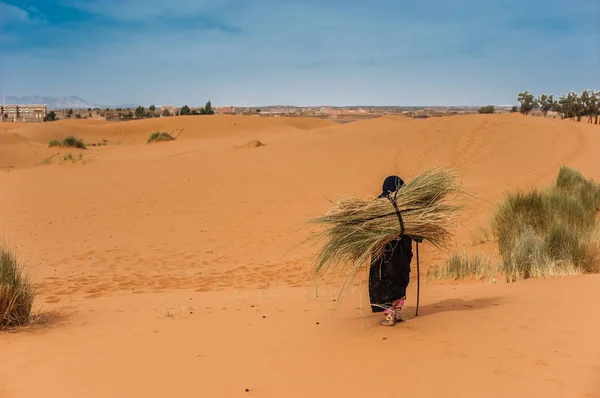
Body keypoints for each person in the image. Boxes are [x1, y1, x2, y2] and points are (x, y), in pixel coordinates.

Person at [369, 175, 413, 326]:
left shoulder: (380, 205)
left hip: (386, 251)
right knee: (400, 279)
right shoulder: (408, 205)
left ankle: (389, 317)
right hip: (404, 250)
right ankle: (399, 312)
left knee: (384, 281)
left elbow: (371, 226)